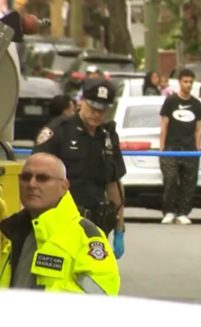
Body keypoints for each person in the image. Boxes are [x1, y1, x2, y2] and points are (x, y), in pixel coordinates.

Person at [32, 79, 126, 260]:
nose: (96, 115)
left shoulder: (108, 136)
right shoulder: (59, 131)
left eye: (102, 110)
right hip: (60, 221)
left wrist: (120, 228)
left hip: (96, 224)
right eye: (92, 108)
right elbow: (35, 178)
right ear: (81, 102)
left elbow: (114, 183)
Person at [0, 153, 120, 294]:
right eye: (25, 177)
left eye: (42, 178)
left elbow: (101, 292)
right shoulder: (10, 231)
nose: (32, 184)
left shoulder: (86, 236)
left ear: (64, 186)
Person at [159, 68, 201, 225]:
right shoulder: (171, 101)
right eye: (185, 81)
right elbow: (164, 125)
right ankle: (169, 211)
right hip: (171, 148)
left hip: (189, 149)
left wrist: (197, 149)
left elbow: (198, 129)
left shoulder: (197, 104)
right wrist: (162, 148)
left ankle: (183, 212)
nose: (188, 84)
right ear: (179, 82)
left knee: (189, 182)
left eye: (191, 82)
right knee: (170, 180)